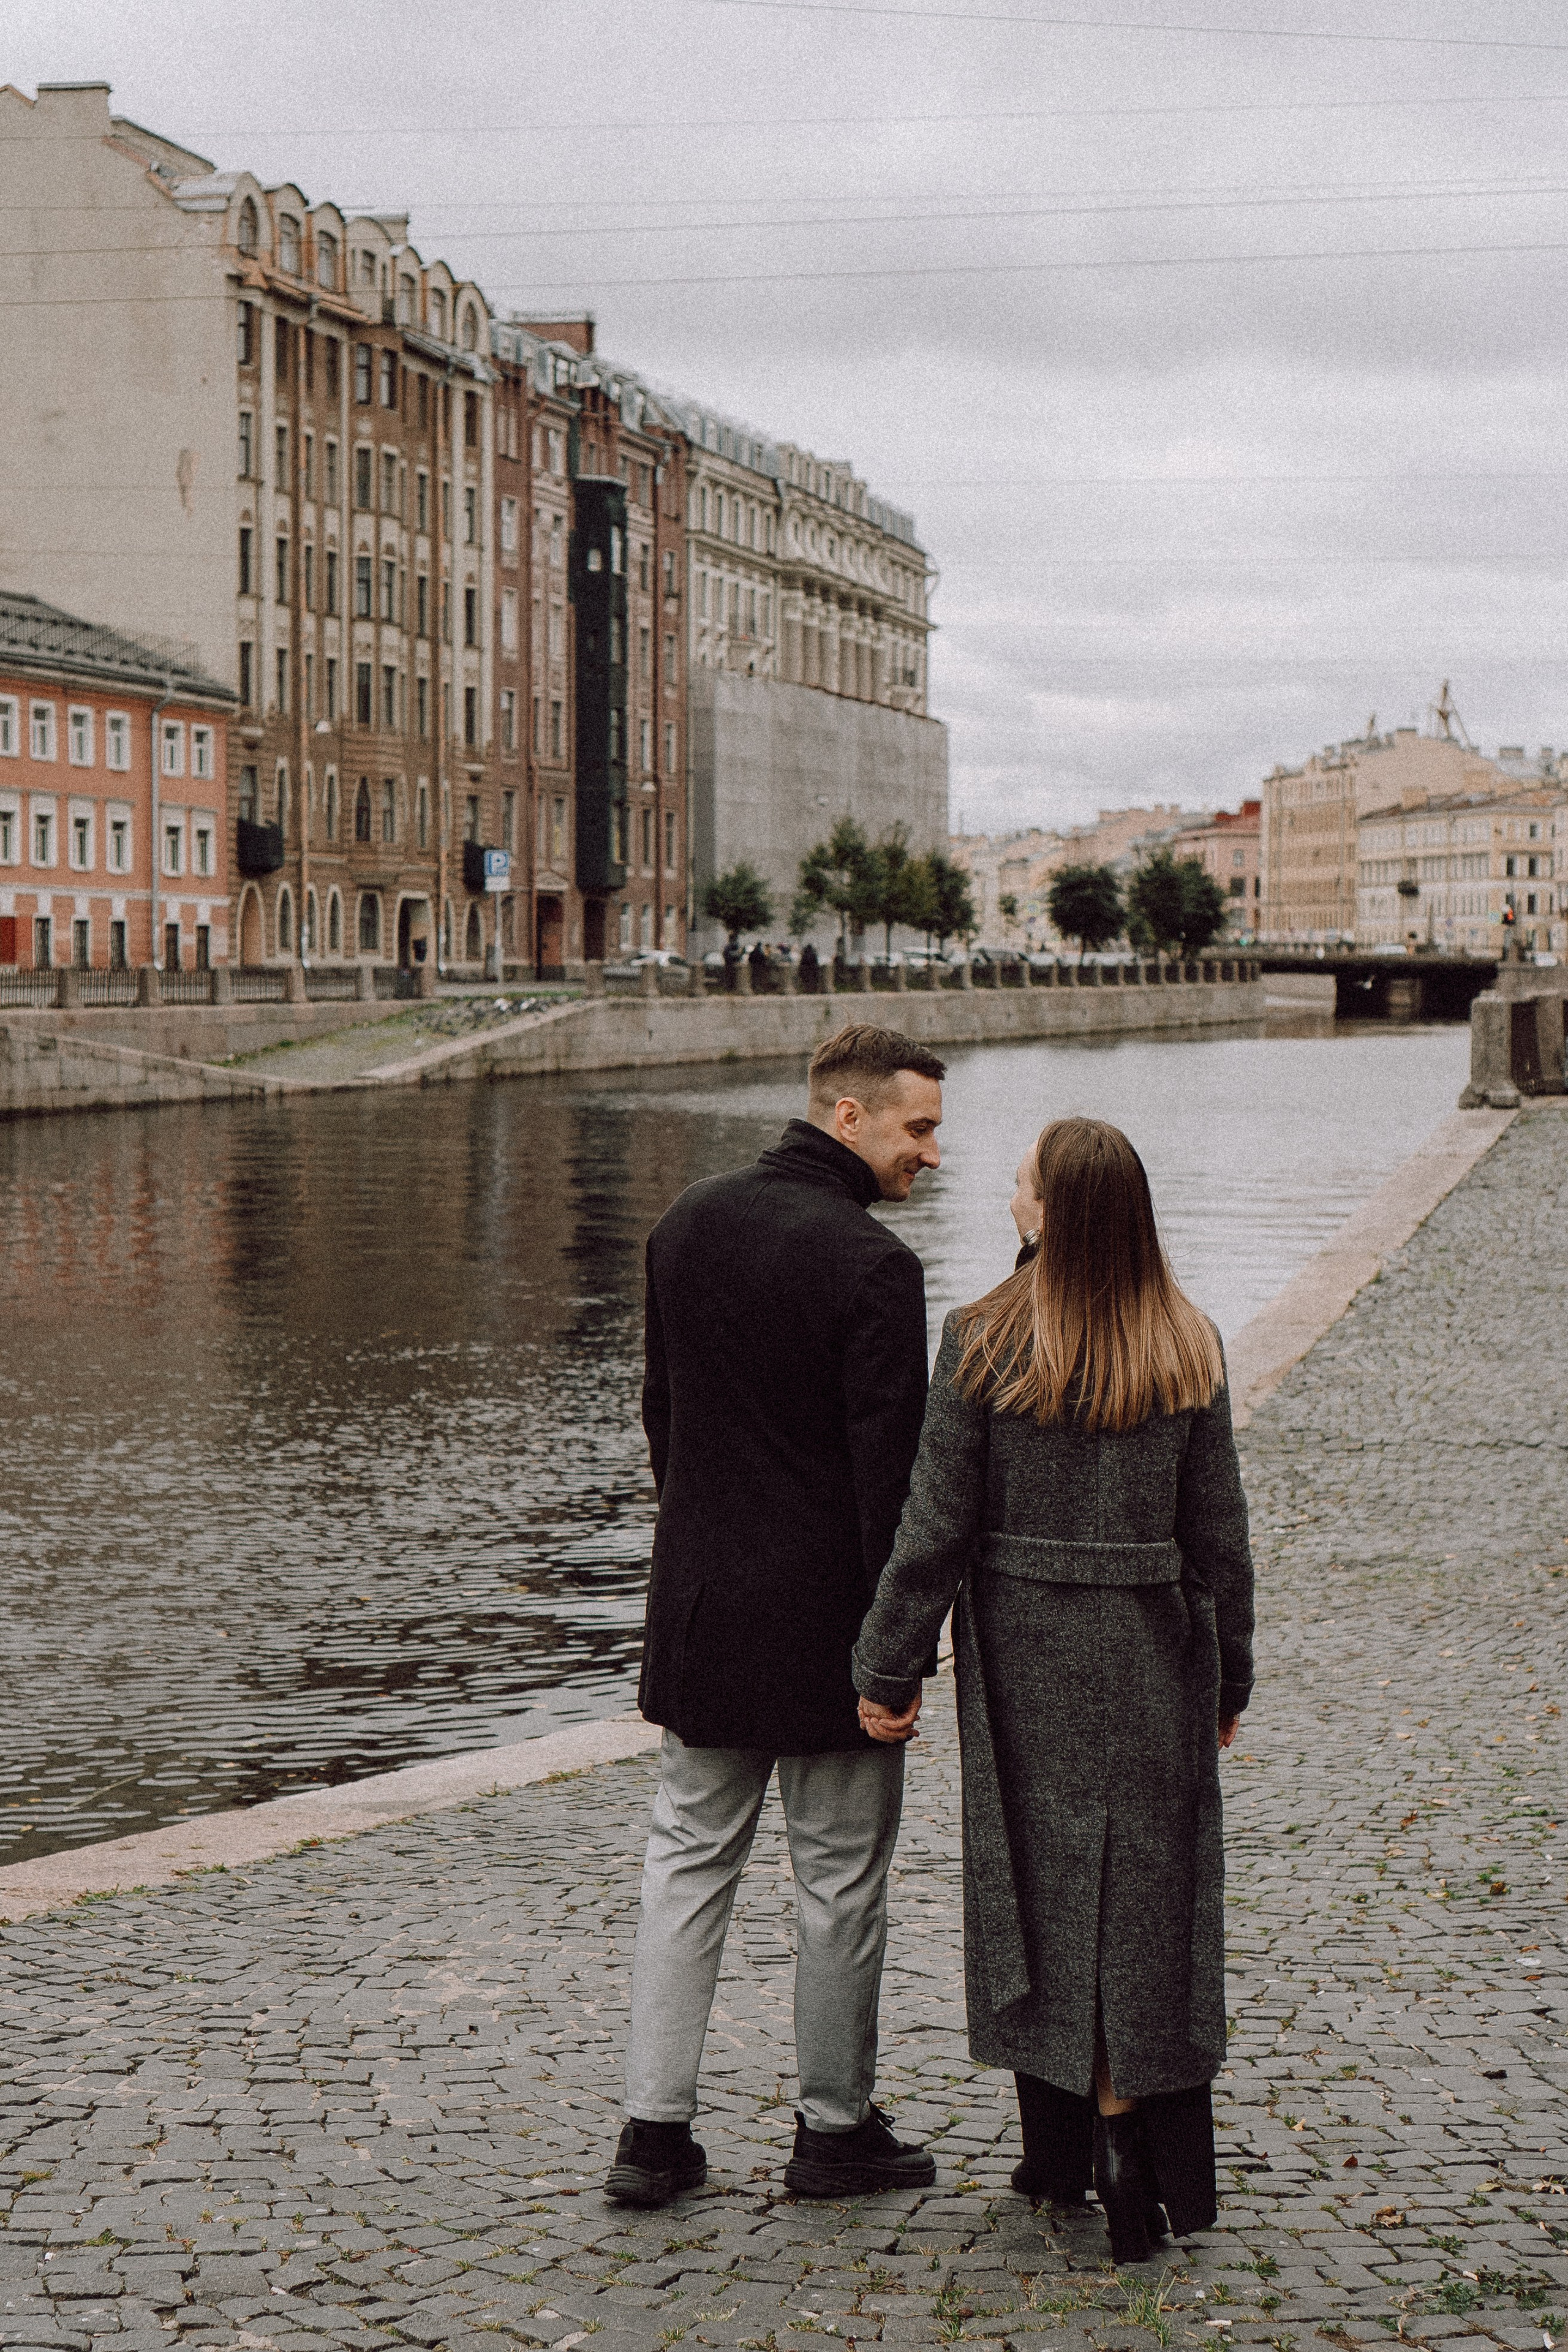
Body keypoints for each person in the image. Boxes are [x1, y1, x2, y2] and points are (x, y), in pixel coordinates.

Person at [850, 1117, 1254, 2262]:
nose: (1009, 1200)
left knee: (1038, 1889)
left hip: (1023, 1656)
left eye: (1022, 1187)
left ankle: (1068, 2150)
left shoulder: (980, 1339)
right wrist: (1232, 1676)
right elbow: (1220, 1541)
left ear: (1053, 1211)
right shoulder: (1187, 1341)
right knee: (1146, 1897)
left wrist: (887, 1666)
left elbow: (932, 1527)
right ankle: (1134, 2152)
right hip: (1152, 1648)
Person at [606, 1023, 948, 2209]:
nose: (932, 1154)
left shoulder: (686, 1221)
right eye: (917, 1127)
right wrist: (894, 1655)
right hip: (830, 1629)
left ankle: (652, 2136)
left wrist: (704, 1547)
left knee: (683, 1866)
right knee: (839, 1881)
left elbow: (664, 1420)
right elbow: (889, 1481)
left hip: (702, 1605)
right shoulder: (870, 1265)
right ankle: (832, 2130)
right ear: (843, 1116)